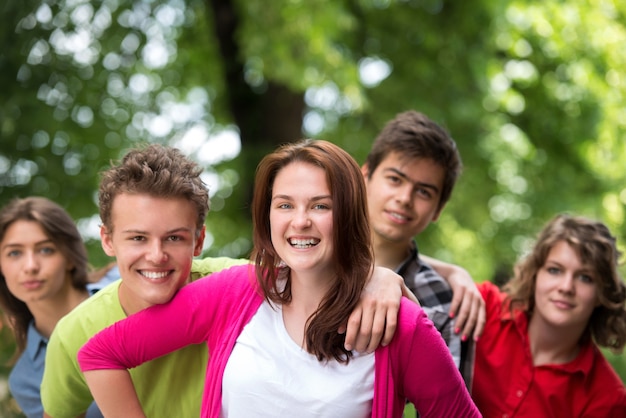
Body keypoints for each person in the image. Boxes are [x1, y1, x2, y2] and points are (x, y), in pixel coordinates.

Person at [77, 139, 480, 418]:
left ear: (350, 214)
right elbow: (100, 355)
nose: (300, 221)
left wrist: (380, 278)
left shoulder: (401, 325)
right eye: (284, 204)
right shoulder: (234, 292)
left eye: (321, 206)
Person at [361, 110, 485, 387]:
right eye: (395, 179)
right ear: (365, 174)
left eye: (424, 192)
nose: (404, 198)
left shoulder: (443, 302)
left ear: (438, 209)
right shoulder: (310, 255)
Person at [473, 214, 626, 417]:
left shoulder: (608, 400)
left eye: (585, 278)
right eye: (555, 270)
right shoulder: (483, 306)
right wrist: (452, 273)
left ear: (601, 293)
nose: (566, 287)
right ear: (536, 274)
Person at [0, 197, 118, 417]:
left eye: (45, 250)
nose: (30, 266)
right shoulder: (25, 379)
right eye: (14, 253)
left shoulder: (122, 283)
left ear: (70, 257)